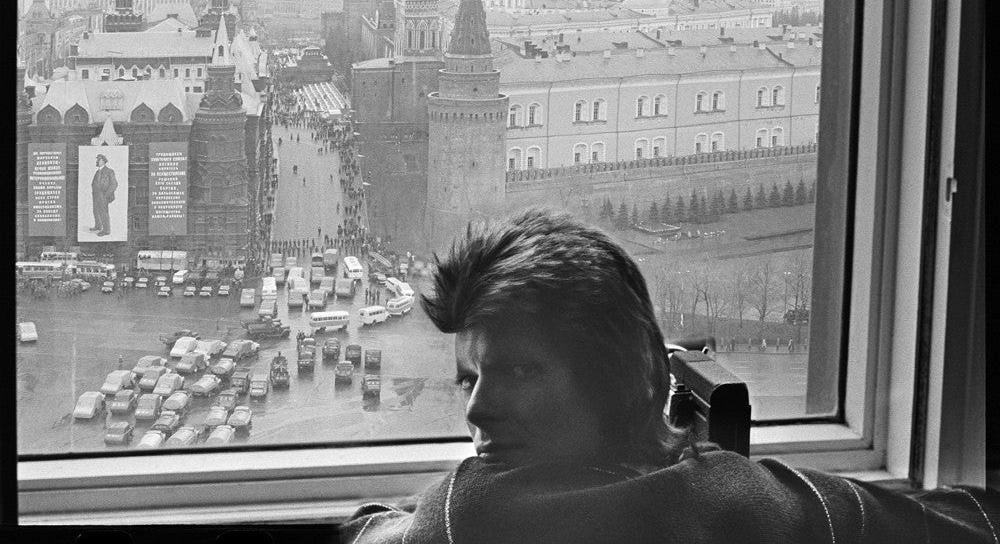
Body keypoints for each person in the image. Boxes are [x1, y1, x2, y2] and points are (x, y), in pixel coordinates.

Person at [342, 207, 999, 543]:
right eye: (471, 379)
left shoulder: (470, 513)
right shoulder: (740, 499)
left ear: (618, 380)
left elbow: (373, 529)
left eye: (519, 370)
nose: (478, 411)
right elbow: (946, 524)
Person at [89, 153, 118, 237]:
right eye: (97, 159)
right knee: (96, 211)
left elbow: (114, 184)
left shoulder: (110, 171)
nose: (97, 161)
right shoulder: (97, 172)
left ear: (104, 161)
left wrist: (106, 194)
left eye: (99, 159)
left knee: (103, 212)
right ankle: (98, 226)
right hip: (96, 195)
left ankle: (106, 230)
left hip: (103, 195)